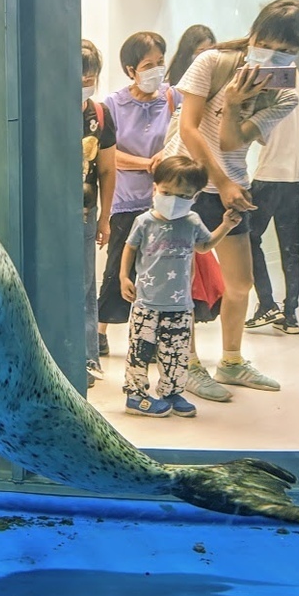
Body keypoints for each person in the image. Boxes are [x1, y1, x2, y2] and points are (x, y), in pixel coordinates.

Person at [158, 0, 299, 401]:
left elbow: (231, 140)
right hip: (188, 182)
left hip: (232, 187)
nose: (276, 55)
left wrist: (232, 105)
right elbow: (190, 129)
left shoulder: (286, 94)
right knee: (183, 281)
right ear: (256, 33)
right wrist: (221, 180)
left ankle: (230, 362)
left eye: (289, 51)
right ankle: (187, 365)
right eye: (270, 43)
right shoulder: (211, 62)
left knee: (240, 283)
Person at [120, 156, 241, 417]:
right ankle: (135, 394)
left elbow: (204, 246)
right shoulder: (145, 222)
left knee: (176, 353)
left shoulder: (192, 222)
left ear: (195, 197)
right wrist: (124, 277)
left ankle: (172, 391)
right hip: (146, 303)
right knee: (140, 351)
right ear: (155, 188)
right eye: (166, 192)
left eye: (183, 195)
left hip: (180, 305)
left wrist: (226, 225)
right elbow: (130, 247)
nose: (173, 200)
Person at [97, 32, 176, 357]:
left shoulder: (173, 99)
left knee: (156, 272)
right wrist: (148, 163)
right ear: (131, 69)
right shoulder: (113, 105)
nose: (156, 70)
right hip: (126, 202)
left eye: (160, 63)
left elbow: (182, 138)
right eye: (148, 65)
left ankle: (150, 336)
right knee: (118, 267)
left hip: (163, 203)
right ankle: (99, 331)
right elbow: (109, 156)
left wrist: (166, 161)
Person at [245, 72, 299, 335]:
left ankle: (266, 305)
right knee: (291, 249)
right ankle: (290, 315)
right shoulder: (295, 76)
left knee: (248, 238)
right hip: (295, 178)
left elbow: (259, 133)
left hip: (268, 176)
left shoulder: (272, 74)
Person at [80, 39, 116, 389]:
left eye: (91, 78)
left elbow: (107, 170)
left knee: (86, 285)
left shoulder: (100, 115)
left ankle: (87, 359)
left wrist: (105, 217)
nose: (85, 84)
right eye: (80, 77)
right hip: (49, 214)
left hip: (85, 215)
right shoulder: (46, 110)